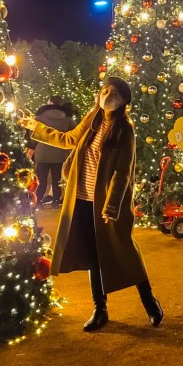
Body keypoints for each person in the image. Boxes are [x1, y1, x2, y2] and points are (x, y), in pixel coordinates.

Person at [18, 77, 162, 332]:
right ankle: (100, 308)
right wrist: (35, 127)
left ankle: (149, 301)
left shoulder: (124, 129)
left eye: (114, 93)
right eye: (105, 90)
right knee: (93, 255)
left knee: (124, 249)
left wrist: (113, 205)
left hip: (106, 202)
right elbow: (68, 140)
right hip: (82, 198)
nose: (107, 95)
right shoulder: (92, 118)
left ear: (123, 102)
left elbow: (122, 171)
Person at [28, 96, 76, 207]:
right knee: (57, 180)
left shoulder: (39, 117)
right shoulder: (67, 118)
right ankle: (56, 201)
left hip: (42, 153)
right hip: (60, 153)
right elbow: (73, 134)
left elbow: (32, 135)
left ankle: (38, 201)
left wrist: (36, 147)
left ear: (50, 103)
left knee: (41, 180)